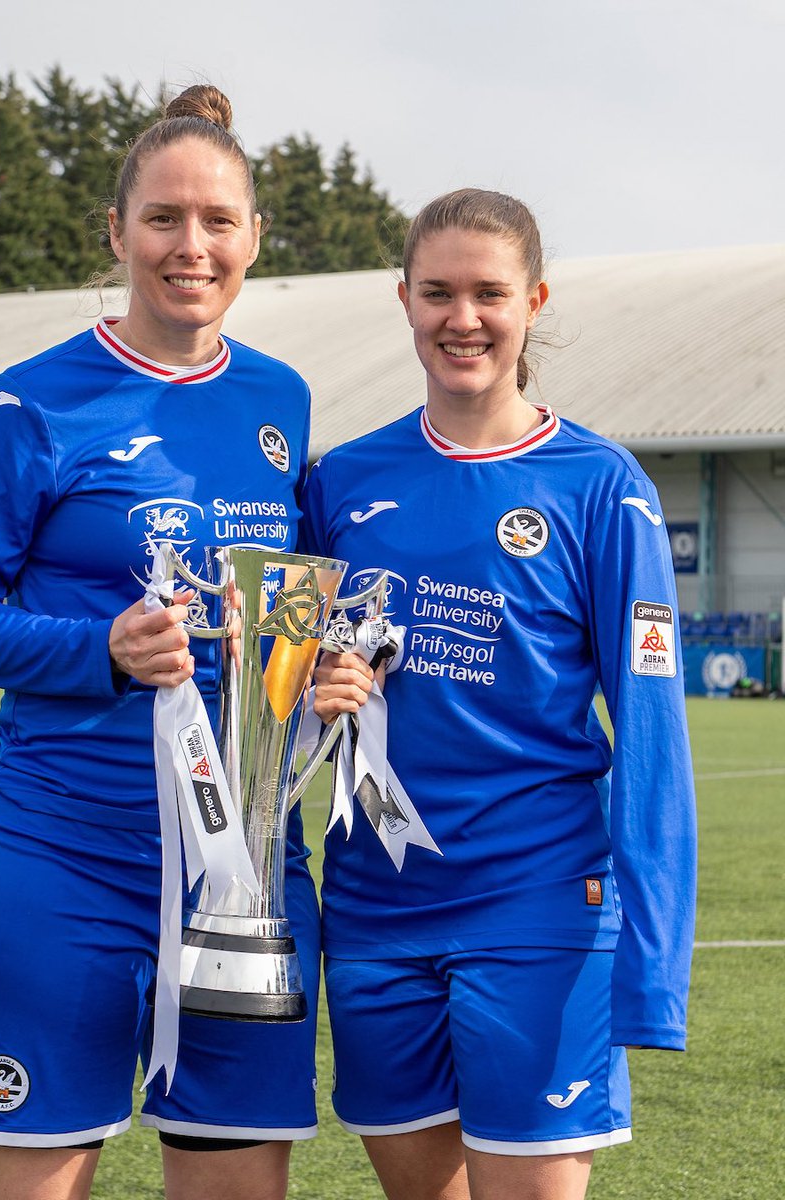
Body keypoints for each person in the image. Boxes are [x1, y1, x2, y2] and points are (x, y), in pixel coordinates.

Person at [0, 85, 319, 1200]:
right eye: (165, 220)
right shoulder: (26, 407)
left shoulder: (284, 402)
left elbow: (296, 601)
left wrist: (326, 662)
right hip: (59, 863)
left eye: (219, 222)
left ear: (254, 238)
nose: (193, 247)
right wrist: (105, 649)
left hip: (245, 877)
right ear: (118, 231)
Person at [301, 188, 697, 1200]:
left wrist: (653, 965)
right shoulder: (341, 482)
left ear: (535, 301)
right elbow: (282, 691)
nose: (461, 317)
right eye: (437, 292)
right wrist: (314, 686)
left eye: (488, 293)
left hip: (539, 904)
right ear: (403, 299)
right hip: (375, 905)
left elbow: (652, 733)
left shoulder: (601, 486)